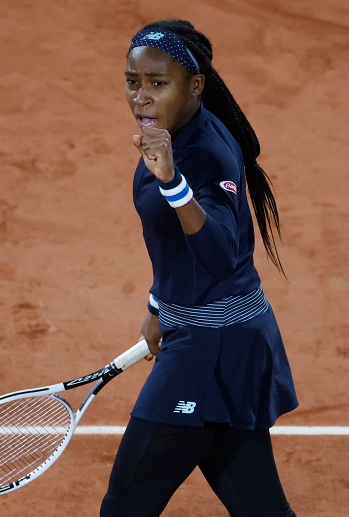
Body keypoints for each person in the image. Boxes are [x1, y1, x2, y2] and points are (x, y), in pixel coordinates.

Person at [99, 20, 299, 517]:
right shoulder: (181, 132)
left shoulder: (200, 154)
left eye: (157, 83)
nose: (141, 97)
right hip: (229, 339)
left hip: (209, 351)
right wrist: (157, 306)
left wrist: (172, 183)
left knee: (125, 506)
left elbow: (220, 252)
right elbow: (169, 248)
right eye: (133, 81)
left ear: (195, 85)